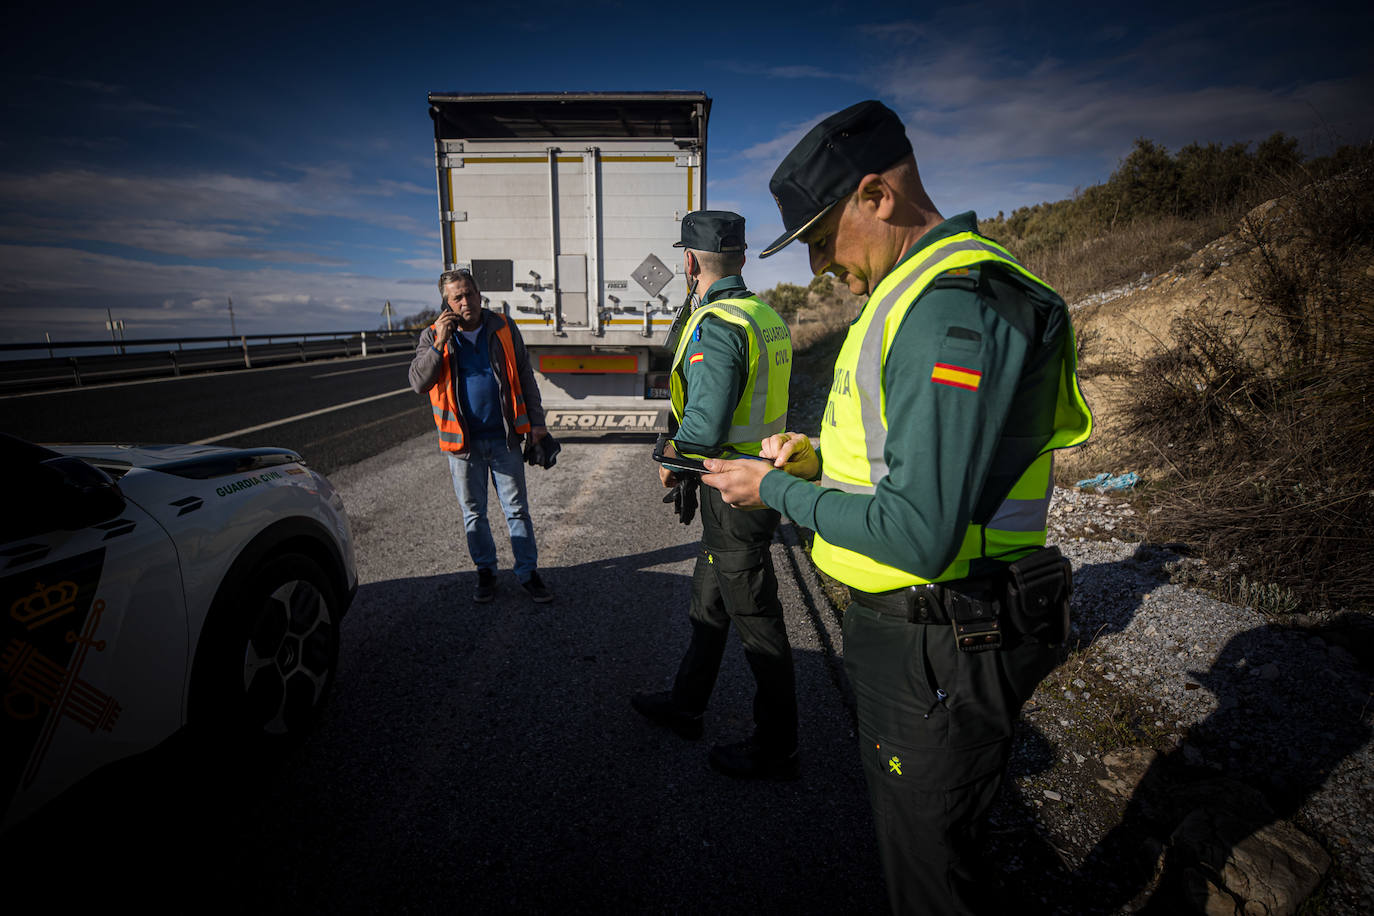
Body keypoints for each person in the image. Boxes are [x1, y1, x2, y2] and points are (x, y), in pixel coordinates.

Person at [700, 101, 1094, 913]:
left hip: (941, 638)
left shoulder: (949, 306)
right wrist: (811, 461)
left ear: (877, 195)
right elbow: (903, 465)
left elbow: (918, 529)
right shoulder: (908, 292)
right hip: (926, 633)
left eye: (817, 238)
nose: (816, 265)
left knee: (930, 880)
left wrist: (773, 488)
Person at [630, 211, 800, 780]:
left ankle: (778, 743)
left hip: (735, 491)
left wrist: (671, 464)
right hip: (758, 479)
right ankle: (686, 704)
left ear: (689, 262)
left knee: (756, 618)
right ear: (743, 258)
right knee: (709, 601)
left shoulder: (718, 324)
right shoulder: (764, 313)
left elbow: (702, 427)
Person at [409, 268, 554, 604]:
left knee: (517, 509)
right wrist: (440, 343)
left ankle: (528, 572)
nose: (465, 302)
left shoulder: (502, 327)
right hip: (463, 446)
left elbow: (523, 375)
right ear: (445, 303)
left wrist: (537, 423)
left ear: (479, 294)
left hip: (505, 440)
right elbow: (418, 382)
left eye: (469, 294)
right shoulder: (433, 335)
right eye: (457, 297)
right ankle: (486, 572)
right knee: (474, 512)